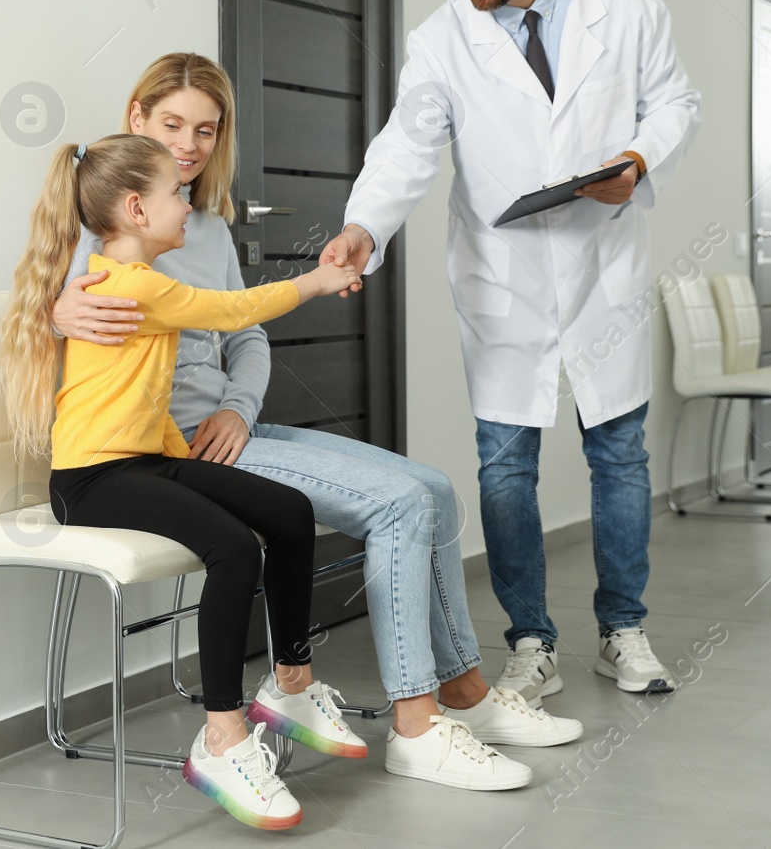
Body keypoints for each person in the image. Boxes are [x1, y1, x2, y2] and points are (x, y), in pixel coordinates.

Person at [52, 53, 582, 793]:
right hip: (177, 453)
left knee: (433, 489)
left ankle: (466, 692)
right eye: (172, 124)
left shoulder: (196, 224)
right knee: (396, 505)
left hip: (230, 429)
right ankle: (417, 726)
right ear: (137, 118)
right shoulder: (110, 215)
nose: (191, 144)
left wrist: (240, 407)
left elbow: (246, 336)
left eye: (207, 129)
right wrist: (55, 311)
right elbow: (58, 314)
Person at [322, 0, 701, 704]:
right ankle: (531, 641)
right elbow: (408, 143)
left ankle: (623, 630)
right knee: (503, 465)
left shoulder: (629, 8)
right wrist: (363, 226)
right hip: (504, 276)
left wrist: (637, 162)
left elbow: (675, 102)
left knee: (619, 454)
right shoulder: (441, 38)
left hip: (603, 259)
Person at [0, 133, 367, 831]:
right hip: (90, 477)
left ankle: (291, 680)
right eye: (176, 192)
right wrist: (316, 280)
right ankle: (222, 735)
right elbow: (233, 312)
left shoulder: (129, 279)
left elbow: (139, 396)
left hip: (139, 458)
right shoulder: (135, 280)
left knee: (288, 510)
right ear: (136, 208)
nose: (188, 203)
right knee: (234, 548)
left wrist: (184, 460)